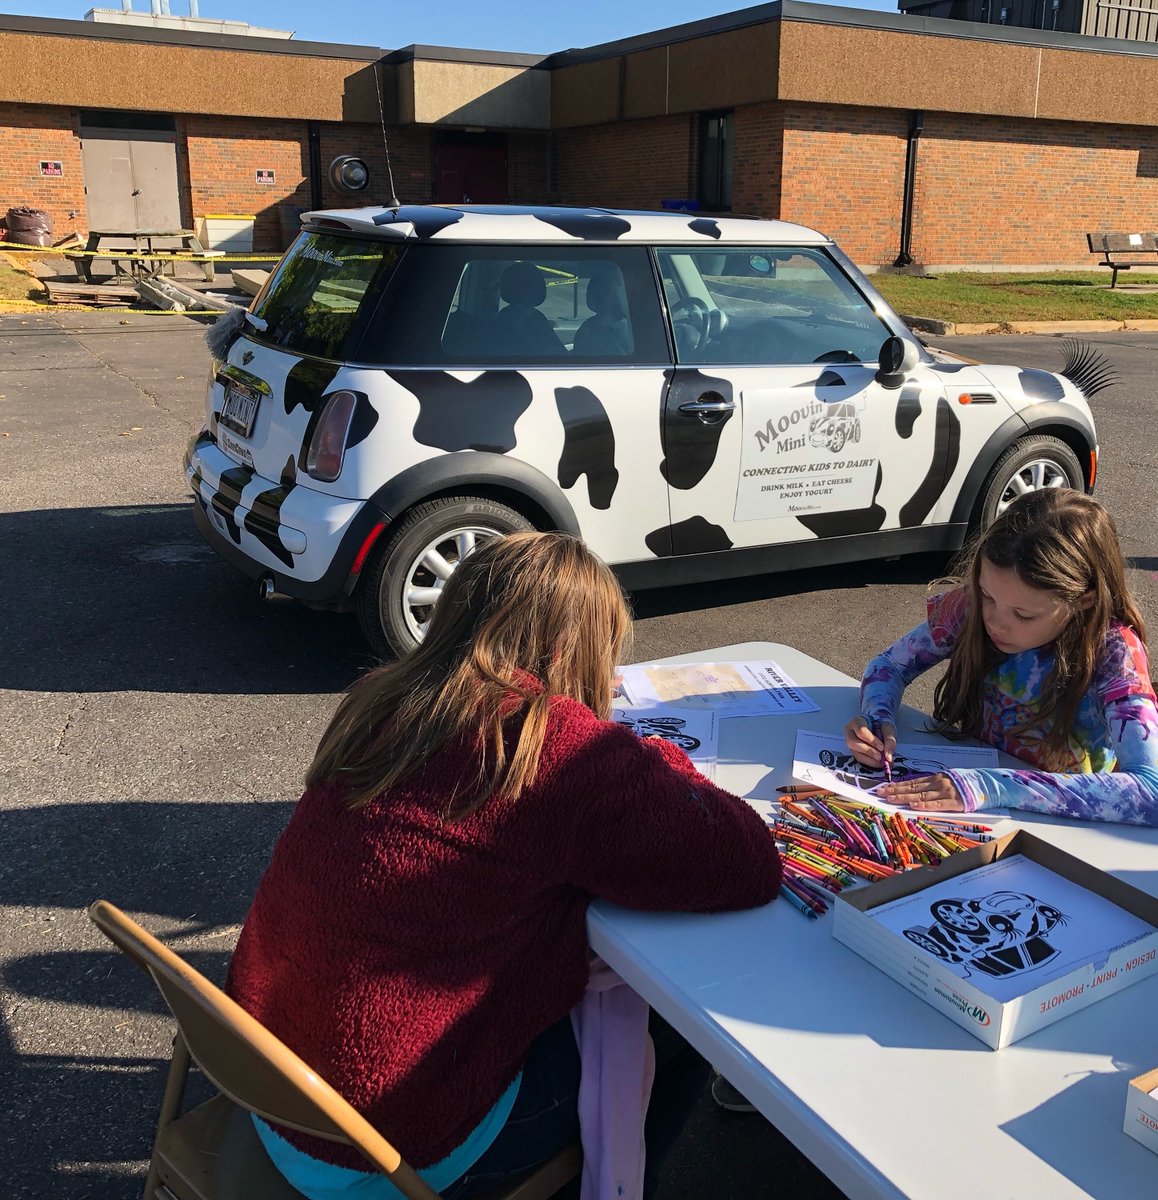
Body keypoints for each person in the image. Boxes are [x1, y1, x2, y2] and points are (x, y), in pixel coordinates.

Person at [226, 531, 782, 1200]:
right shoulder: (559, 748)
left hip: (271, 1087)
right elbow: (746, 860)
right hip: (393, 1147)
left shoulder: (382, 696)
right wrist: (655, 758)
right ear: (575, 647)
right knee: (681, 1012)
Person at [843, 488, 1158, 825]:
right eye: (986, 594)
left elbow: (1149, 791)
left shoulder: (1113, 652)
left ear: (1084, 599)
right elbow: (888, 666)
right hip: (970, 813)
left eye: (1023, 615)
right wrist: (878, 719)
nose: (993, 621)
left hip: (1057, 832)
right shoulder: (973, 606)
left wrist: (992, 786)